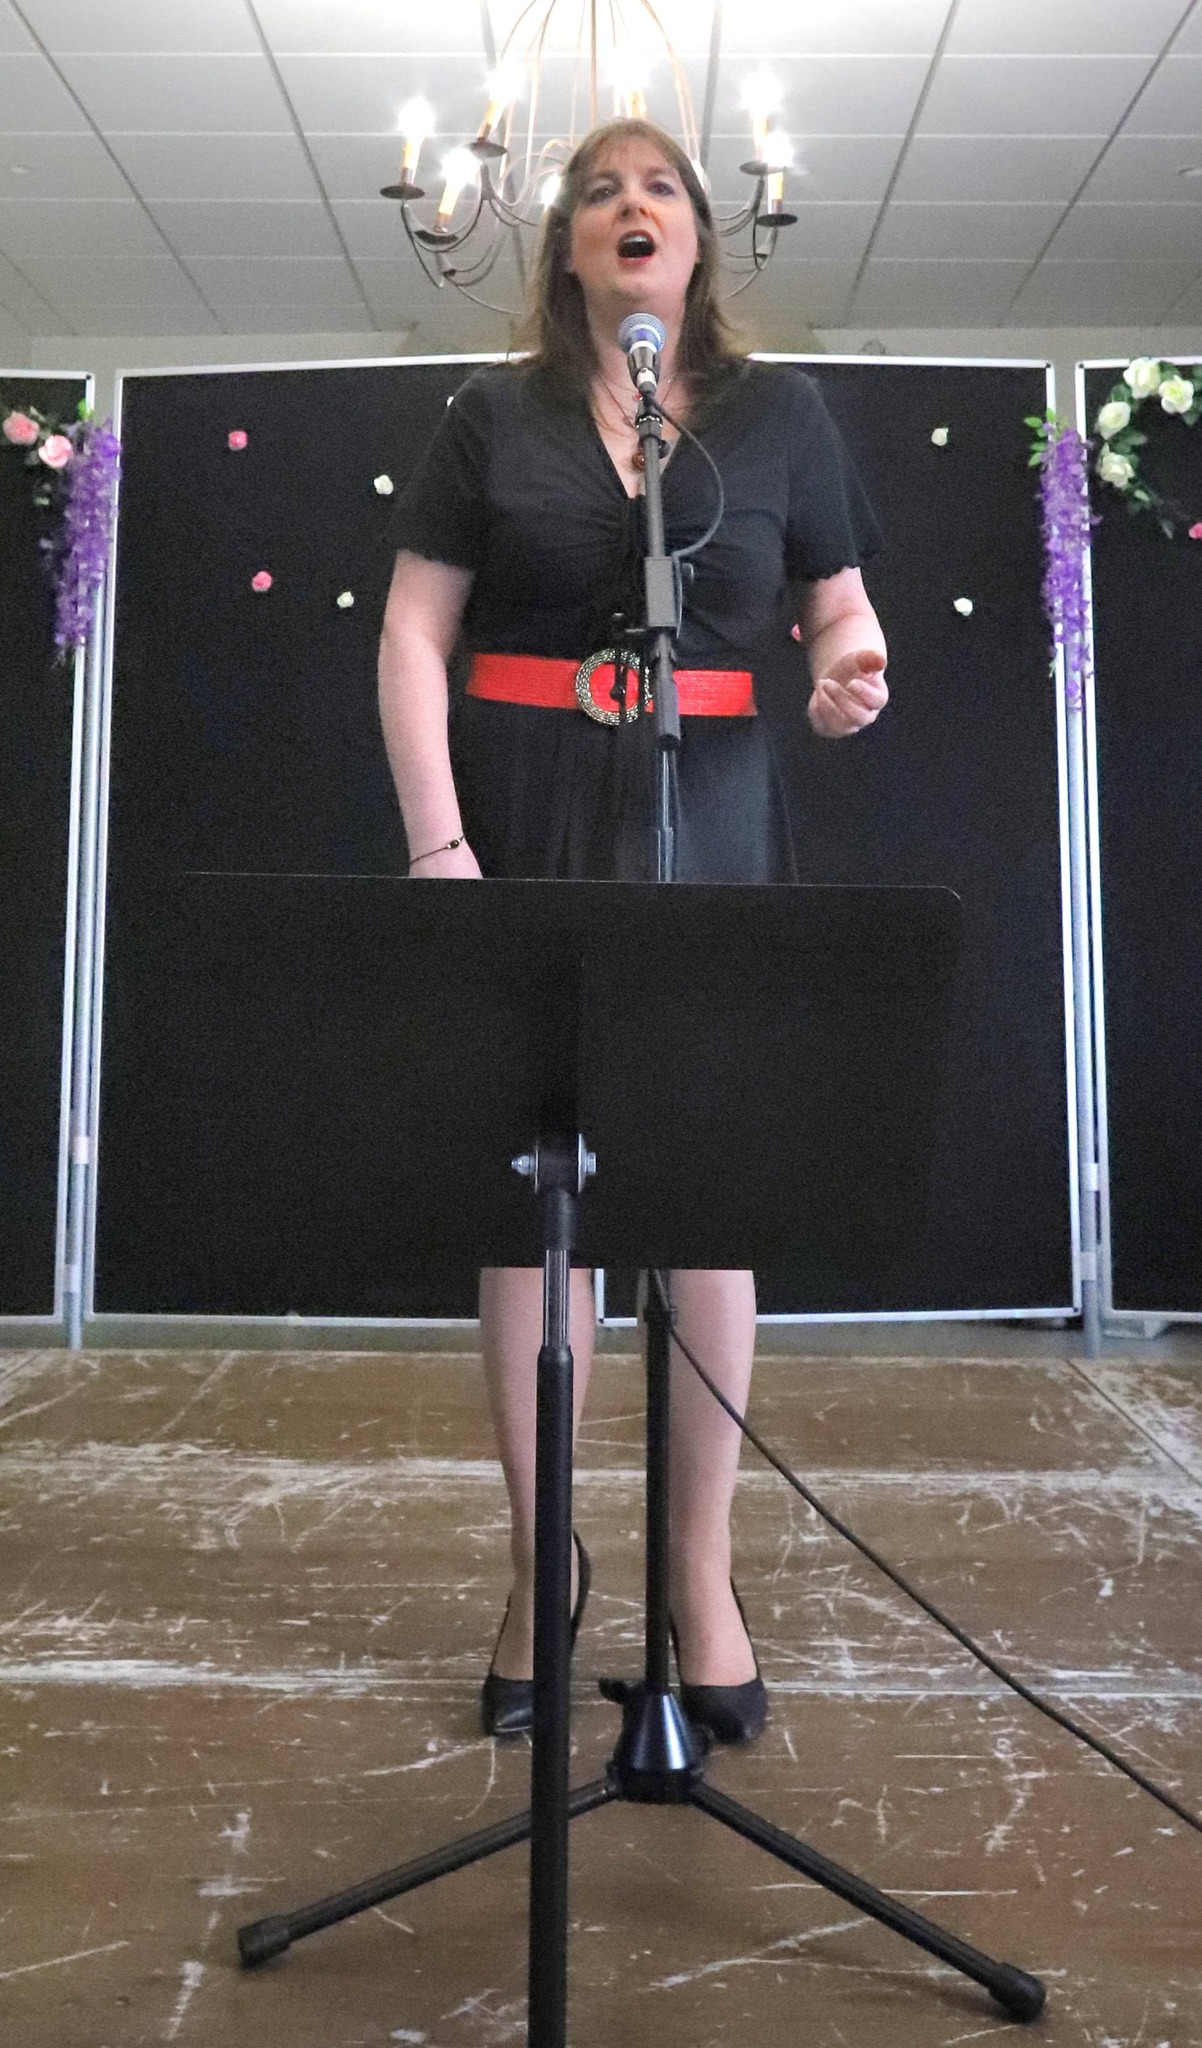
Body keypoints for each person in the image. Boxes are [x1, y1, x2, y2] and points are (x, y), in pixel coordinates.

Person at [378, 117, 888, 1743]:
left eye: (658, 185)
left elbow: (837, 605)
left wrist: (848, 669)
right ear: (566, 248)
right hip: (522, 814)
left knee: (703, 1198)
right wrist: (438, 840)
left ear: (698, 238)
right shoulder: (490, 416)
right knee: (535, 1199)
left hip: (711, 817)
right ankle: (542, 1571)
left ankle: (699, 1575)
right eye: (598, 190)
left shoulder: (780, 415)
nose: (630, 205)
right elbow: (413, 631)